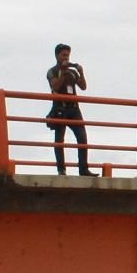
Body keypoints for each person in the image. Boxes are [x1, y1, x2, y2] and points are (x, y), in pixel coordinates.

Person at [46, 43, 92, 176]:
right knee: (59, 140)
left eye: (67, 55)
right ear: (57, 56)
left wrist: (81, 72)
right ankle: (61, 170)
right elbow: (55, 86)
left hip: (74, 109)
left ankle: (83, 169)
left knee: (82, 139)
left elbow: (83, 86)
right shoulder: (52, 71)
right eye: (63, 55)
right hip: (60, 107)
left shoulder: (72, 72)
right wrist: (63, 72)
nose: (66, 58)